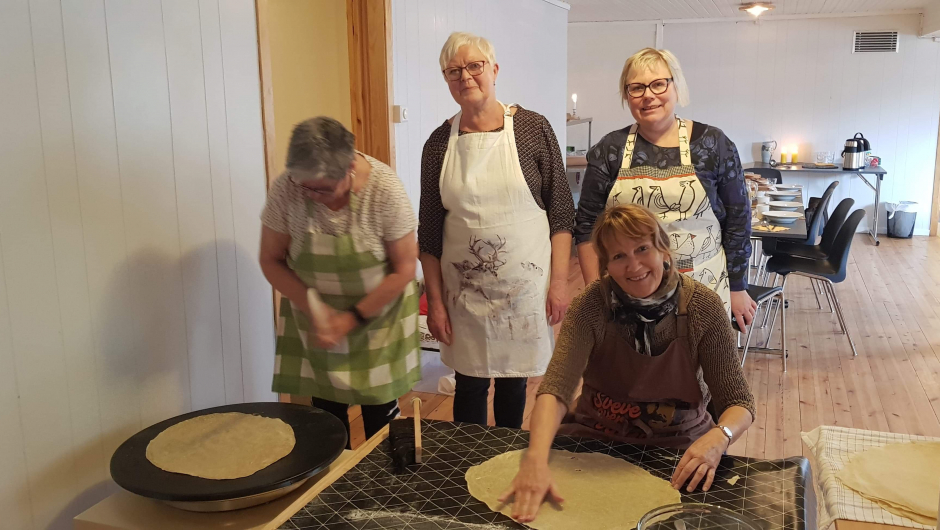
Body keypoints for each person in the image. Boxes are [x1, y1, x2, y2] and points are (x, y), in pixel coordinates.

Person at [500, 204, 756, 523]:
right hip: (595, 438)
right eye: (619, 256)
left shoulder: (703, 307)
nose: (634, 266)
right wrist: (535, 460)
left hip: (679, 447)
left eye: (642, 249)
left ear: (663, 249)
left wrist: (720, 437)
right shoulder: (591, 306)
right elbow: (555, 390)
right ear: (606, 265)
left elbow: (738, 402)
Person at [418, 32, 575, 428]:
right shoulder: (438, 144)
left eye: (475, 66)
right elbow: (430, 234)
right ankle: (468, 456)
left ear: (494, 70)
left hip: (523, 291)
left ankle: (508, 454)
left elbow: (561, 213)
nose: (466, 77)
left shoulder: (532, 129)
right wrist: (435, 302)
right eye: (454, 71)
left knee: (514, 382)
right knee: (469, 384)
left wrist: (559, 283)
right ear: (446, 79)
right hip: (465, 294)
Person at [259, 117, 420, 448]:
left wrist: (350, 319)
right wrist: (314, 308)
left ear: (350, 167)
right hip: (317, 319)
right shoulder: (287, 188)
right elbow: (270, 259)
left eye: (323, 188)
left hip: (378, 318)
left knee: (380, 420)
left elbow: (404, 268)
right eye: (305, 186)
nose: (313, 196)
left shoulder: (384, 190)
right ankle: (336, 478)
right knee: (326, 416)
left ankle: (383, 480)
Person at [574, 48, 758, 332]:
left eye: (659, 84)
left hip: (704, 285)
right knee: (634, 358)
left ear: (676, 86)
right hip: (629, 290)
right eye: (636, 88)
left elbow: (738, 218)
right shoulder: (610, 150)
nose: (648, 95)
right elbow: (587, 224)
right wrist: (596, 293)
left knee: (706, 358)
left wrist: (737, 287)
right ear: (626, 95)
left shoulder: (713, 144)